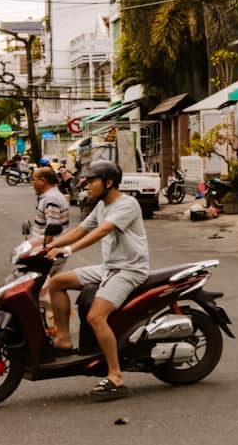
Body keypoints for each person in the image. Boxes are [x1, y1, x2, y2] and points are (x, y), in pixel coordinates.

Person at [42, 160, 151, 398]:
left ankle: (115, 376)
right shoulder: (101, 206)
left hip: (129, 270)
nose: (86, 186)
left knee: (96, 316)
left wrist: (69, 251)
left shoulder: (127, 204)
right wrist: (46, 245)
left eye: (92, 181)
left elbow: (101, 231)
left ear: (108, 183)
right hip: (108, 267)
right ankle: (63, 340)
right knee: (56, 282)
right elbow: (81, 229)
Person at [29, 164, 69, 241]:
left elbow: (51, 231)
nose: (33, 183)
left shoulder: (51, 199)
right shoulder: (53, 195)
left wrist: (44, 248)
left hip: (46, 248)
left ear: (42, 181)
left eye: (34, 180)